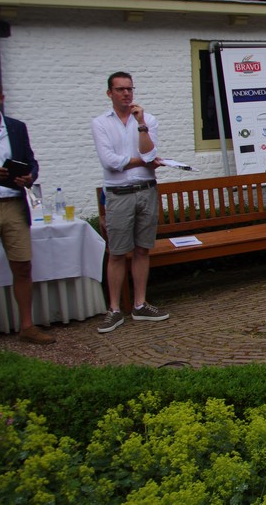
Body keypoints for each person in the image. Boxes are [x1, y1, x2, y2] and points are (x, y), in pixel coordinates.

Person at [91, 71, 170, 333]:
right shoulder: (101, 123)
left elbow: (150, 152)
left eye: (130, 89)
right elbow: (110, 162)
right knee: (116, 253)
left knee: (142, 250)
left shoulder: (147, 119)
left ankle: (140, 304)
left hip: (146, 190)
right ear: (109, 93)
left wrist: (142, 124)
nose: (126, 93)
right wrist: (142, 162)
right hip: (119, 193)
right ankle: (114, 309)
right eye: (120, 89)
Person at [0, 78, 52, 344]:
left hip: (14, 204)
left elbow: (31, 162)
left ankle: (27, 326)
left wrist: (29, 177)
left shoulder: (16, 127)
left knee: (22, 266)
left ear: (0, 99)